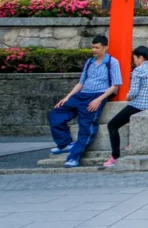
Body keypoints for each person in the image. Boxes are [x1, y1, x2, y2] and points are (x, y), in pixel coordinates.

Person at [48, 34, 121, 168]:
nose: (94, 50)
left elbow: (115, 85)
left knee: (85, 128)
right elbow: (81, 83)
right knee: (56, 113)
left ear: (105, 47)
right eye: (93, 47)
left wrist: (99, 100)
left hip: (96, 96)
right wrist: (68, 97)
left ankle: (73, 158)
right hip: (82, 95)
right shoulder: (89, 62)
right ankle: (64, 143)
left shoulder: (112, 62)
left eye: (97, 48)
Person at [103, 45, 148, 168]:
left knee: (112, 125)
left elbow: (134, 93)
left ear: (140, 58)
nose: (134, 62)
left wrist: (128, 96)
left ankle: (115, 156)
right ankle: (131, 143)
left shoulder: (138, 70)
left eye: (134, 58)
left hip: (139, 105)